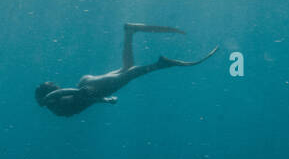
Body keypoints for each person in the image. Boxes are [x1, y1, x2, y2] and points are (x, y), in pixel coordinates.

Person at [34, 23, 218, 117]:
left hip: (91, 89)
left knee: (131, 73)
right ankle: (129, 32)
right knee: (127, 69)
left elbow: (68, 93)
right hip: (89, 86)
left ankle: (161, 64)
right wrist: (102, 100)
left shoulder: (48, 102)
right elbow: (74, 96)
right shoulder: (52, 103)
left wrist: (104, 99)